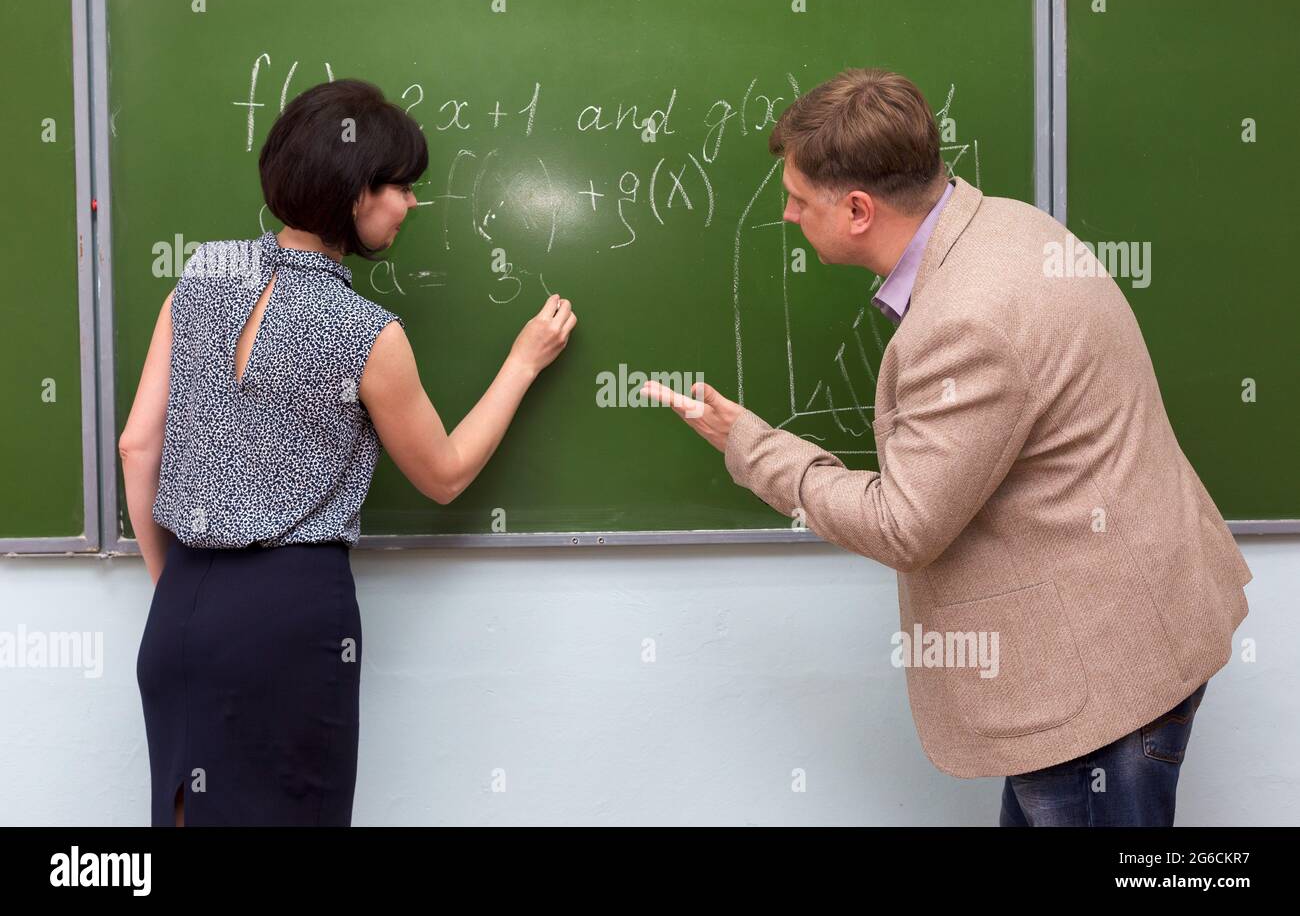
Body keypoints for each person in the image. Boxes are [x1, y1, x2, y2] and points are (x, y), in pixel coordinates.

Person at [642, 67, 1250, 826]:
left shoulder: (966, 320)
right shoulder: (1005, 223)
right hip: (1131, 626)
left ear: (858, 209)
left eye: (799, 199)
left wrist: (748, 445)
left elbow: (907, 525)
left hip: (1097, 687)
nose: (789, 215)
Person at [119, 78, 577, 825]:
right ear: (357, 193)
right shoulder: (364, 332)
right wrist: (523, 362)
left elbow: (137, 446)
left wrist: (183, 587)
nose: (412, 203)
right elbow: (444, 474)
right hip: (290, 617)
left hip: (181, 613)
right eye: (401, 186)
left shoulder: (200, 276)